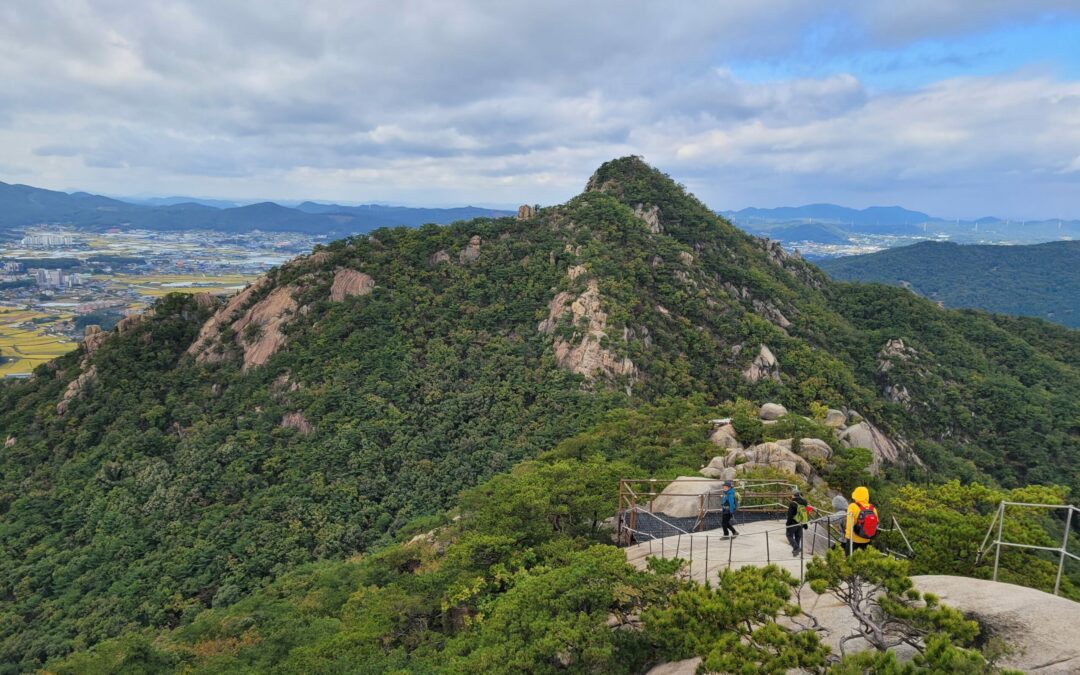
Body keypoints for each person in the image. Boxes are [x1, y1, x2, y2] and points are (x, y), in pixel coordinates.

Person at [844, 486, 879, 555]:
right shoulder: (872, 508)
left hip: (853, 539)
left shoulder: (852, 506)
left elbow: (849, 524)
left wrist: (848, 537)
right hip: (867, 539)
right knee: (864, 561)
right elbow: (876, 523)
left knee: (848, 561)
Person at [785, 486, 809, 556]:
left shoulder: (793, 503)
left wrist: (788, 524)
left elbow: (790, 515)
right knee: (798, 536)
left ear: (793, 495)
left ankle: (796, 547)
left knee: (789, 535)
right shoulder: (804, 502)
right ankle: (796, 551)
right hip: (801, 522)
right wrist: (805, 524)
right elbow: (805, 513)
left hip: (793, 522)